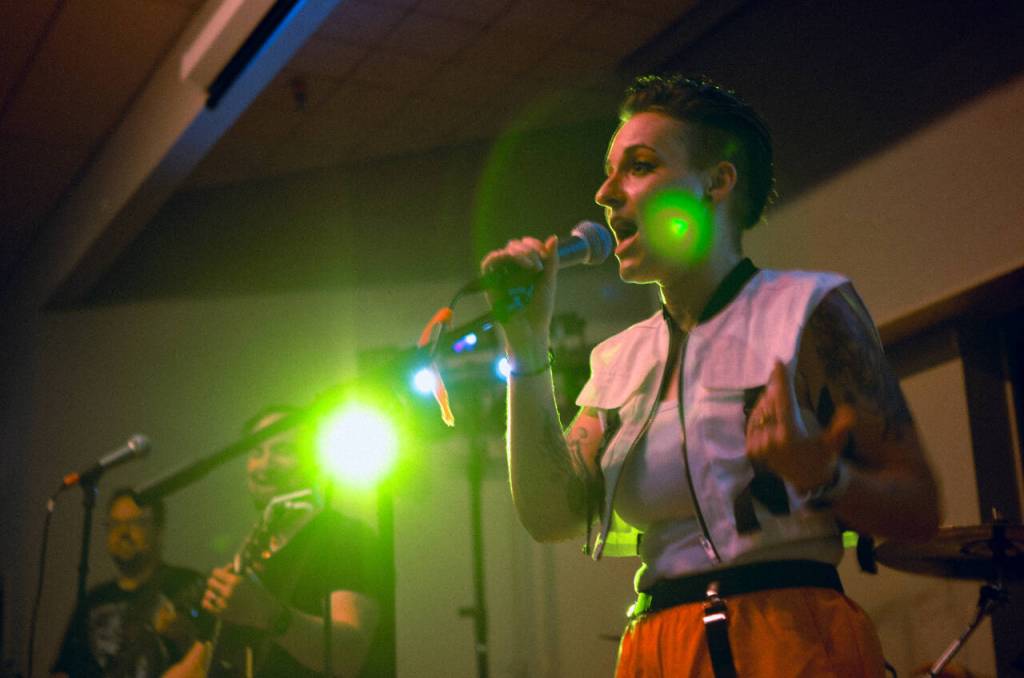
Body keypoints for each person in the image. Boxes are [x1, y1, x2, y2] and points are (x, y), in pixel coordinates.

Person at [480, 73, 941, 677]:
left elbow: (918, 508)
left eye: (639, 166)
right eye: (609, 172)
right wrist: (525, 344)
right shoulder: (618, 358)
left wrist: (824, 475)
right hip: (657, 647)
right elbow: (549, 516)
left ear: (716, 183)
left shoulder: (807, 309)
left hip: (790, 637)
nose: (605, 193)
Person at [200, 406, 389, 677]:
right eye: (256, 452)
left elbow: (348, 654)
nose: (264, 465)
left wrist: (267, 613)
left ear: (315, 462)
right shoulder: (253, 549)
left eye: (283, 451)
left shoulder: (345, 535)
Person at [52, 489, 208, 678]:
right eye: (115, 524)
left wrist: (185, 634)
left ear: (158, 530)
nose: (123, 532)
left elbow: (217, 656)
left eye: (135, 523)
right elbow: (65, 669)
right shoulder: (95, 600)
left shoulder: (188, 585)